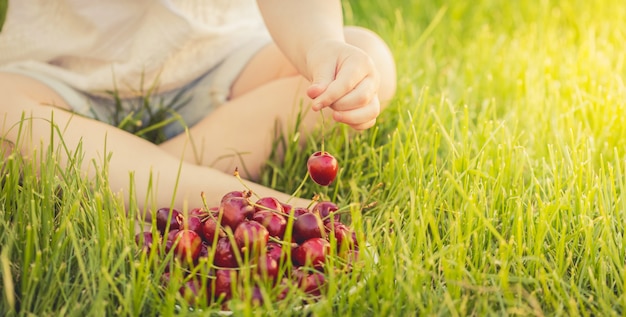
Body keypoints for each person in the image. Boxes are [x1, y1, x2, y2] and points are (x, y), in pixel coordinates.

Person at [0, 0, 397, 213]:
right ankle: (259, 207)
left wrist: (320, 45)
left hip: (217, 59)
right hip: (63, 72)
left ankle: (126, 177)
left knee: (369, 58)